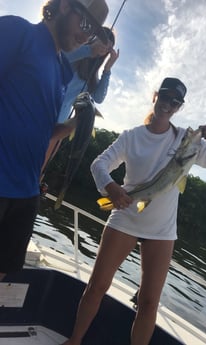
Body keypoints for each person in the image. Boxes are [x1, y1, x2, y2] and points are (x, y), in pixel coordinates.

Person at [62, 77, 206, 345]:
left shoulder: (185, 142)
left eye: (175, 102)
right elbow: (99, 165)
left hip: (162, 230)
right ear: (155, 96)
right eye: (165, 97)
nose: (168, 104)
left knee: (149, 303)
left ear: (179, 107)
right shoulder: (132, 136)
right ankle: (75, 341)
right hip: (125, 216)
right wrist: (112, 189)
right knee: (96, 287)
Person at [0, 0, 109, 282]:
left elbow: (44, 130)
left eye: (94, 32)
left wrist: (75, 124)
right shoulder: (17, 31)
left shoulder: (62, 69)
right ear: (62, 6)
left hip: (26, 192)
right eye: (85, 23)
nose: (87, 36)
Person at [41, 26, 119, 175]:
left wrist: (107, 69)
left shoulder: (89, 78)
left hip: (57, 130)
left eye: (106, 48)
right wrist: (89, 50)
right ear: (92, 37)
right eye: (101, 41)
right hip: (38, 117)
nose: (102, 48)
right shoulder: (71, 56)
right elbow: (61, 55)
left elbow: (99, 97)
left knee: (33, 174)